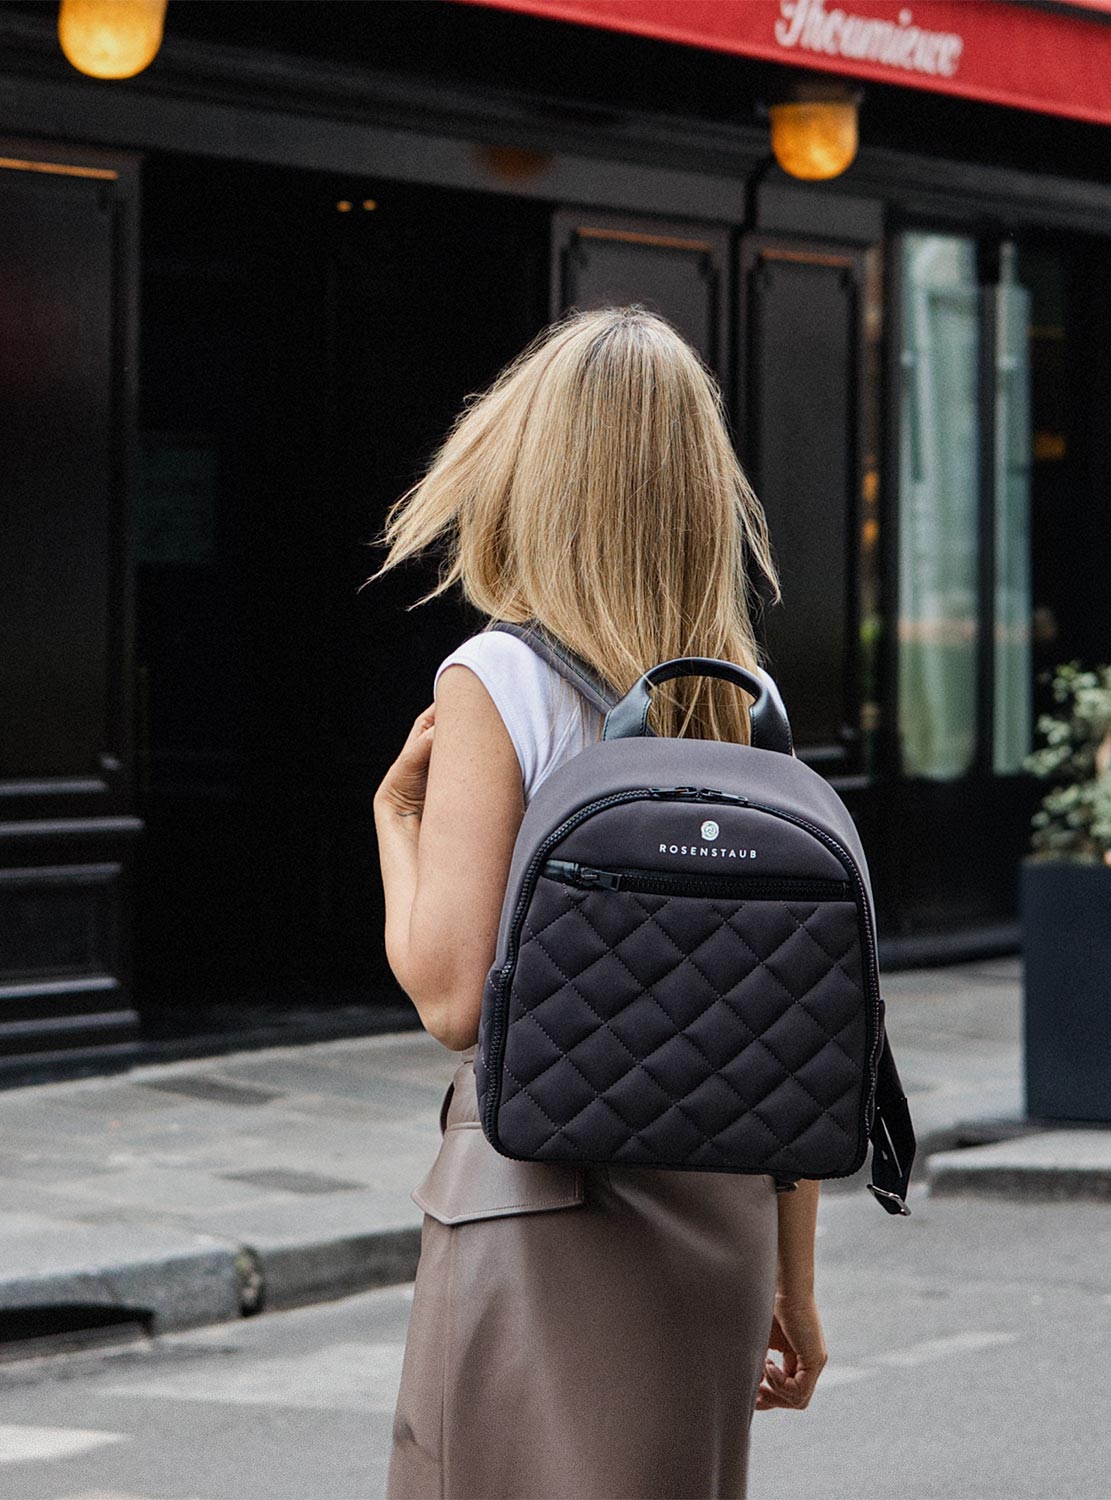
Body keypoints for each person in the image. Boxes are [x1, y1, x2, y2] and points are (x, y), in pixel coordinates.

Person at [370, 306, 828, 1500]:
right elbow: (782, 1012)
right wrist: (796, 1281)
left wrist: (396, 826)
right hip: (717, 1223)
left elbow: (453, 994)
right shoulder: (743, 701)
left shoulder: (498, 678)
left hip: (532, 1207)